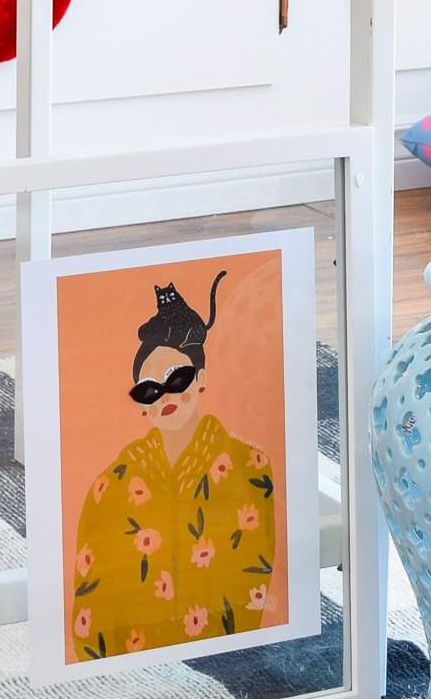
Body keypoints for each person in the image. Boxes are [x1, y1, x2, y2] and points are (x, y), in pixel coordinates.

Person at [68, 272, 277, 661]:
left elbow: (253, 578)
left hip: (224, 664)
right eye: (148, 389)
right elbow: (93, 601)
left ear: (201, 380)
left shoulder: (249, 469)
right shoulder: (111, 486)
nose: (164, 396)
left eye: (176, 379)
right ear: (141, 403)